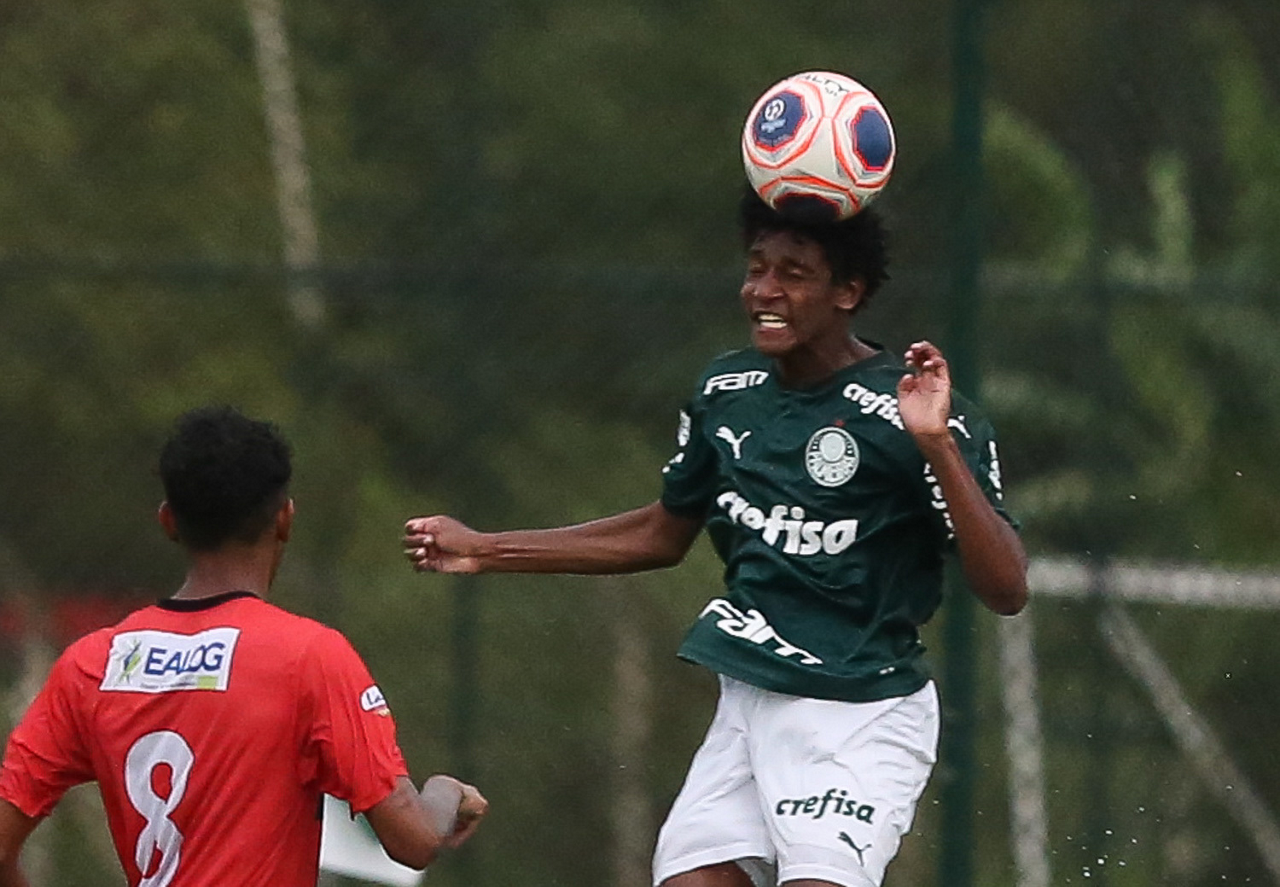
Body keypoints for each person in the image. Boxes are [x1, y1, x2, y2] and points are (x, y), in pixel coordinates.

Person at [402, 187, 1027, 887]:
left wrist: (936, 445)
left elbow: (1007, 588)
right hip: (748, 703)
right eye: (756, 268)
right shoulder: (728, 391)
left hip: (858, 716)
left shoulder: (913, 410)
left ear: (848, 292)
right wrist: (484, 548)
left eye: (793, 274)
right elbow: (662, 532)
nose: (764, 290)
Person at [0, 405, 487, 887]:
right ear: (285, 519)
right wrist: (446, 793)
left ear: (168, 521)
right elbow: (413, 840)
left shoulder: (93, 664)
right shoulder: (307, 657)